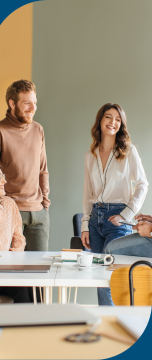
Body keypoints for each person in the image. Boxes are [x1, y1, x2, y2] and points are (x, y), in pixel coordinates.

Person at [81, 103, 148, 305]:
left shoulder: (128, 151)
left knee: (116, 277)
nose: (113, 122)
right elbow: (87, 193)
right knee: (99, 278)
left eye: (118, 119)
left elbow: (143, 184)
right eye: (108, 117)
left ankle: (121, 321)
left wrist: (126, 215)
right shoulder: (90, 154)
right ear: (100, 121)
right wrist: (85, 224)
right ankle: (106, 321)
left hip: (117, 218)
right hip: (95, 219)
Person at [0, 80, 50, 252]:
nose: (33, 108)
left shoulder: (38, 130)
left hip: (39, 213)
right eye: (26, 103)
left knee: (39, 271)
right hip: (8, 212)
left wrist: (45, 203)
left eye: (35, 103)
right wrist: (0, 208)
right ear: (12, 104)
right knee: (10, 270)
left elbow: (43, 169)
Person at [0, 162, 37, 303]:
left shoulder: (9, 204)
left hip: (4, 274)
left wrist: (11, 257)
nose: (4, 180)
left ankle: (36, 323)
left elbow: (19, 239)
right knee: (24, 285)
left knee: (30, 284)